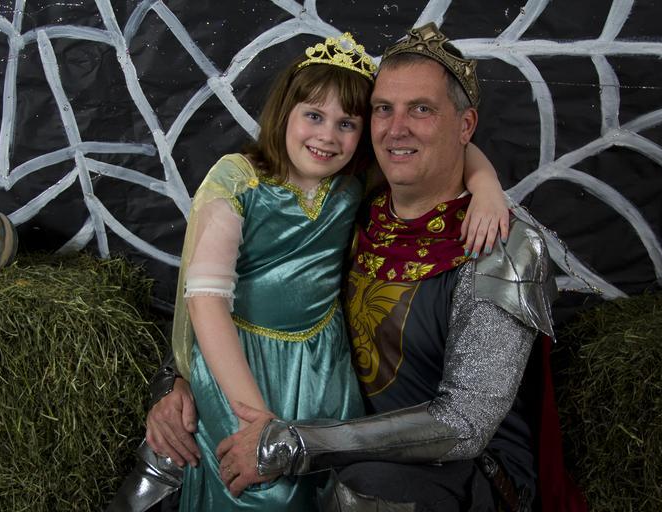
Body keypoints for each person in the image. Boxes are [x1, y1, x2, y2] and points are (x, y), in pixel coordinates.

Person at [106, 29, 510, 512]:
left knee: (314, 489)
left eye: (347, 123)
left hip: (322, 371)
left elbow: (442, 146)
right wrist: (225, 403)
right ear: (286, 112)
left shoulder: (353, 184)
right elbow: (206, 299)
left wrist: (487, 186)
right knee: (249, 487)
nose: (327, 135)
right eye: (314, 116)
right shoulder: (244, 181)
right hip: (246, 365)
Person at [214, 23, 557, 511]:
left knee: (364, 492)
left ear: (465, 126)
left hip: (464, 472)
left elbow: (464, 424)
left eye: (421, 109)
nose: (396, 129)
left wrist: (294, 444)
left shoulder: (499, 244)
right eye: (382, 109)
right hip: (337, 430)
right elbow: (246, 281)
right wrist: (180, 378)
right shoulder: (355, 205)